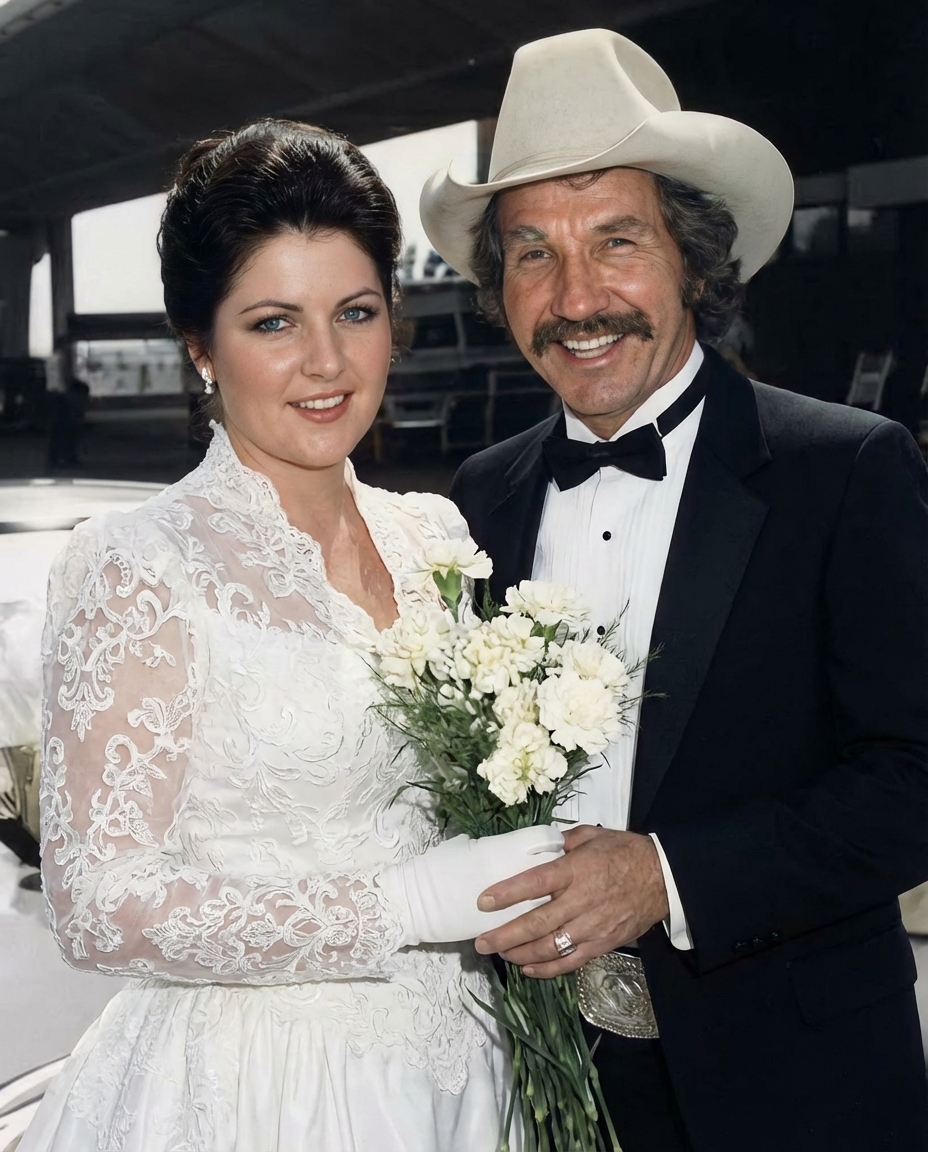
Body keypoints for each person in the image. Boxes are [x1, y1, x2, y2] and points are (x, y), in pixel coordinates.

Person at [421, 28, 928, 1152]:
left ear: (694, 262)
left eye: (617, 241)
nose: (576, 297)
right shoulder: (480, 497)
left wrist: (666, 875)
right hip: (546, 1083)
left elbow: (914, 780)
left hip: (800, 1091)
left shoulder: (846, 469)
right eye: (533, 254)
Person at [20, 119, 564, 1152]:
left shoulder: (433, 536)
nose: (326, 361)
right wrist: (402, 906)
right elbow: (98, 909)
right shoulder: (139, 566)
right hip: (262, 1092)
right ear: (199, 345)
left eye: (355, 312)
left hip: (465, 1072)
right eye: (273, 322)